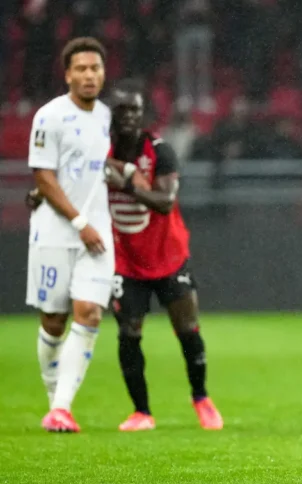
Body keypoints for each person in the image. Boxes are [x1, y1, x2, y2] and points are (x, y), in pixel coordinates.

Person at [28, 81, 224, 431]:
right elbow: (67, 182)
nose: (130, 117)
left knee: (187, 328)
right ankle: (142, 411)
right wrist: (39, 195)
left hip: (168, 256)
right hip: (125, 262)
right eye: (122, 111)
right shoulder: (98, 152)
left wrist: (126, 179)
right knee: (129, 334)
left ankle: (201, 398)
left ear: (144, 113)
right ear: (111, 116)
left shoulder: (159, 151)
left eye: (136, 109)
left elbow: (164, 202)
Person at [26, 37, 113, 433]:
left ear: (103, 73)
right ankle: (52, 397)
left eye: (95, 68)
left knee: (90, 313)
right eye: (81, 68)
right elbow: (43, 174)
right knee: (54, 320)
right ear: (67, 74)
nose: (89, 75)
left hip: (97, 234)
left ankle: (62, 408)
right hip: (57, 232)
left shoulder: (108, 117)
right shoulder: (49, 116)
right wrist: (79, 221)